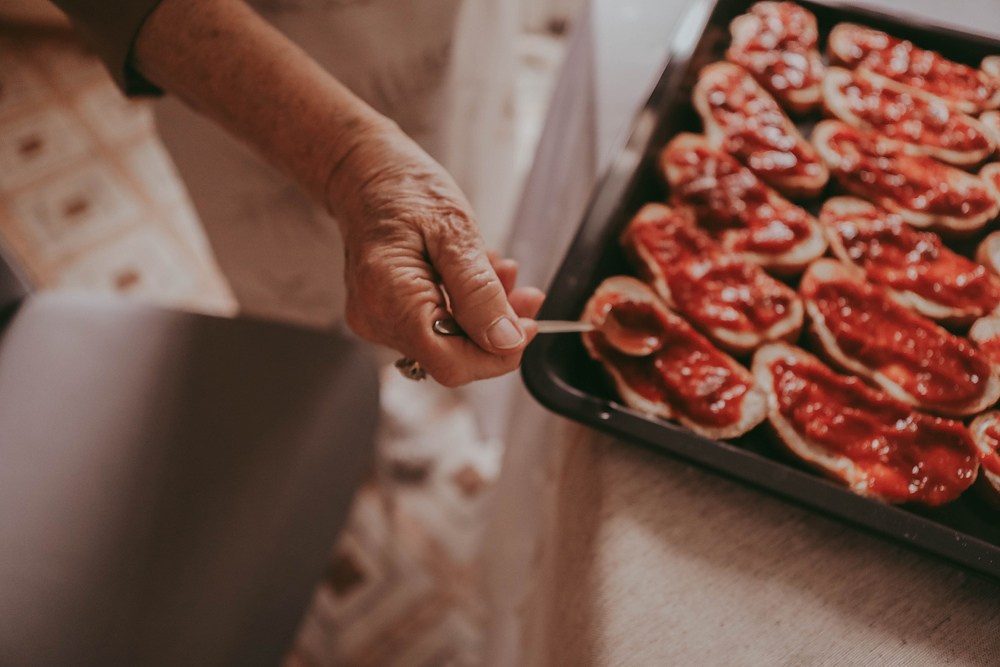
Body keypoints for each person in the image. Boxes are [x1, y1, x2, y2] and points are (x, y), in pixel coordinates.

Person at [52, 0, 546, 387]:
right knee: (300, 309)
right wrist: (347, 159)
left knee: (457, 200)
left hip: (451, 30)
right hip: (241, 62)